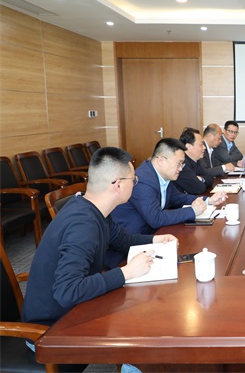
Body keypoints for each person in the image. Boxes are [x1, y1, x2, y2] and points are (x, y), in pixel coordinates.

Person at [22, 147, 177, 373]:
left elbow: (122, 240)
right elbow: (67, 291)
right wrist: (126, 272)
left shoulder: (93, 207)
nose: (135, 184)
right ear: (117, 185)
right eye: (133, 180)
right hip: (51, 331)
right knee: (144, 338)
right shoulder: (83, 224)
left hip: (74, 309)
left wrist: (156, 240)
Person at [112, 138, 227, 235]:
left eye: (182, 164)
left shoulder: (162, 175)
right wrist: (192, 211)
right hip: (133, 240)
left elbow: (177, 198)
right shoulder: (143, 180)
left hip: (154, 232)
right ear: (161, 161)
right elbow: (156, 218)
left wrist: (208, 200)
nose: (180, 169)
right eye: (179, 163)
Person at [174, 127, 215, 194]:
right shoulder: (181, 164)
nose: (204, 147)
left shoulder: (196, 160)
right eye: (201, 144)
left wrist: (201, 179)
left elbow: (210, 178)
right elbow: (199, 188)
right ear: (188, 147)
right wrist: (199, 181)